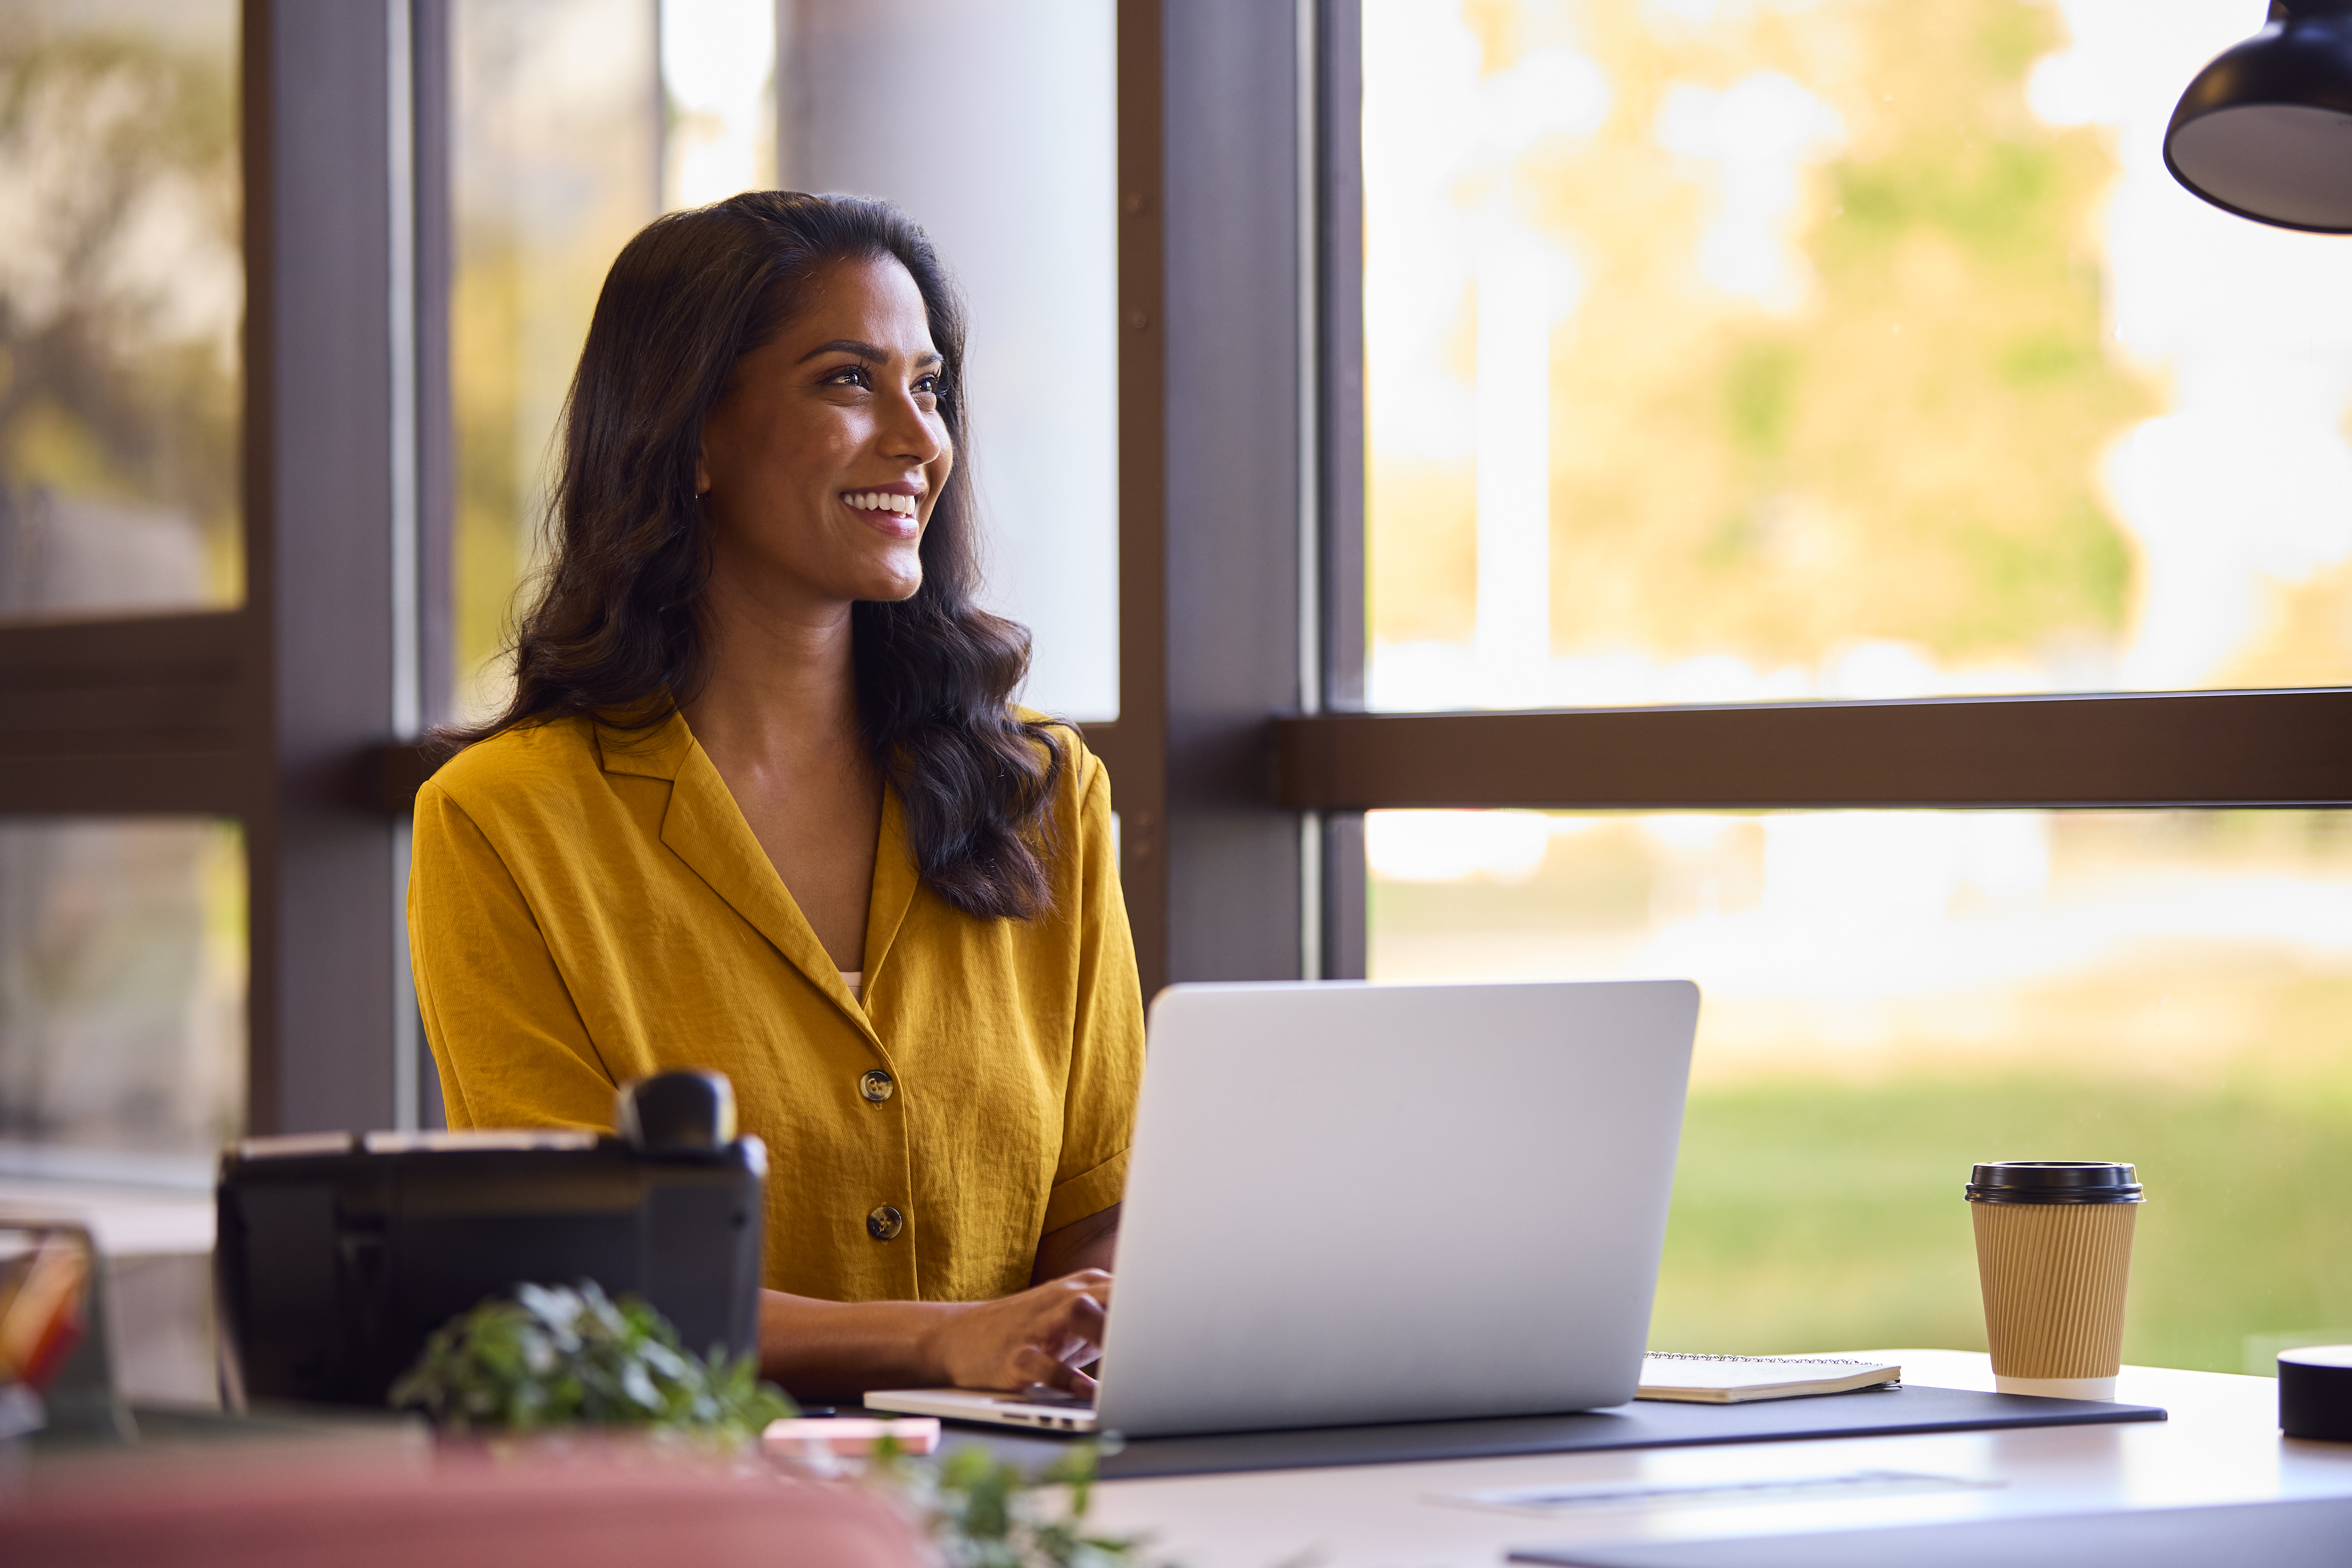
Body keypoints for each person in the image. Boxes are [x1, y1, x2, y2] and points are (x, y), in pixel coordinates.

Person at [406, 192, 1142, 1403]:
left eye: (931, 387)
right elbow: (582, 1282)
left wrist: (1087, 1329)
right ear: (691, 431)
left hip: (1024, 1496)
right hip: (697, 1511)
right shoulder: (503, 822)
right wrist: (936, 1341)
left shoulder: (1047, 797)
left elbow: (1100, 1215)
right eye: (850, 380)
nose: (921, 439)